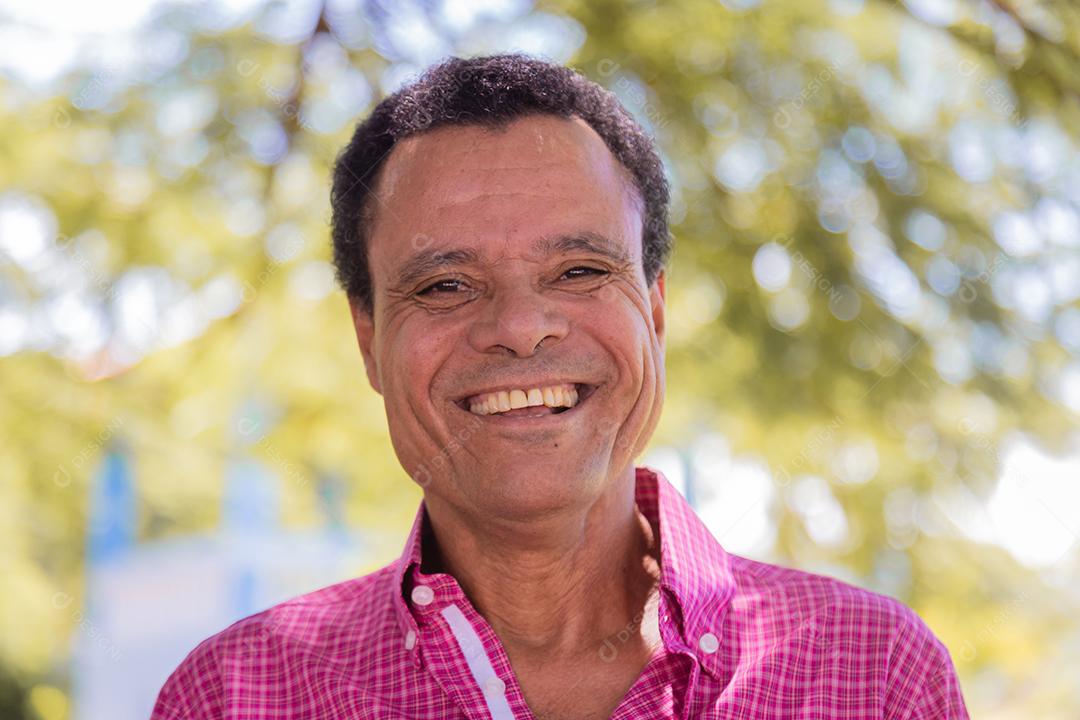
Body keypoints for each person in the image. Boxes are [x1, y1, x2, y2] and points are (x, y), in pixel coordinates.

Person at [151, 53, 970, 719]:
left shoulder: (877, 675)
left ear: (653, 309)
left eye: (579, 270)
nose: (519, 325)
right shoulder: (237, 695)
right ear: (368, 338)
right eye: (444, 285)